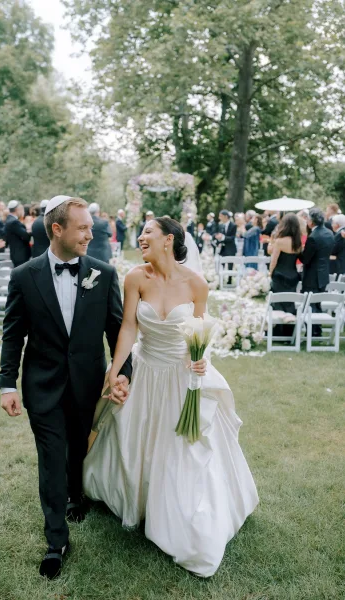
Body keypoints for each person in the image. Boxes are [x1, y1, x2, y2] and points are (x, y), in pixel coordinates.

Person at [84, 217, 258, 577]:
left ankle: (179, 514)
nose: (141, 237)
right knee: (137, 438)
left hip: (181, 376)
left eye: (148, 232)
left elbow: (200, 331)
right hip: (146, 371)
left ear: (169, 240)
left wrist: (201, 362)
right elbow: (129, 326)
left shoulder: (196, 284)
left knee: (184, 448)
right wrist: (115, 370)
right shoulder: (135, 277)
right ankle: (139, 499)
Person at [0, 195, 132, 580]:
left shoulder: (103, 273)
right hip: (43, 385)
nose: (92, 233)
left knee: (78, 446)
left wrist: (124, 374)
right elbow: (13, 334)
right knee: (52, 457)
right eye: (83, 227)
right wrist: (7, 383)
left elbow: (117, 330)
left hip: (89, 383)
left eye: (91, 226)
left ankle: (77, 494)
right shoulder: (25, 275)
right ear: (57, 230)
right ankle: (56, 540)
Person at [300, 208, 335, 337]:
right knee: (317, 302)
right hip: (324, 273)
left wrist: (299, 251)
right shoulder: (329, 233)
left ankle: (313, 331)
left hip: (312, 275)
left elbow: (306, 259)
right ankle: (317, 330)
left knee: (309, 304)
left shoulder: (313, 237)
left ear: (311, 222)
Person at [268, 214, 302, 337]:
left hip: (279, 275)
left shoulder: (280, 241)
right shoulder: (298, 243)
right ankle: (289, 333)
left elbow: (274, 260)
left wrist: (270, 273)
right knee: (289, 303)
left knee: (278, 303)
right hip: (293, 275)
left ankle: (277, 332)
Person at [4, 201, 31, 267]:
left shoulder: (9, 219)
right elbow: (26, 236)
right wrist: (30, 230)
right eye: (22, 209)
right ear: (17, 209)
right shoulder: (14, 222)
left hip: (16, 254)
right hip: (20, 255)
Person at [215, 209, 237, 282]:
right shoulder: (220, 225)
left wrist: (223, 237)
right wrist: (218, 237)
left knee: (230, 265)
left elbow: (232, 238)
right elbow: (218, 234)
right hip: (222, 248)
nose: (219, 218)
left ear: (226, 216)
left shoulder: (233, 225)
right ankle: (222, 279)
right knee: (222, 264)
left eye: (221, 216)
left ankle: (229, 280)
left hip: (230, 248)